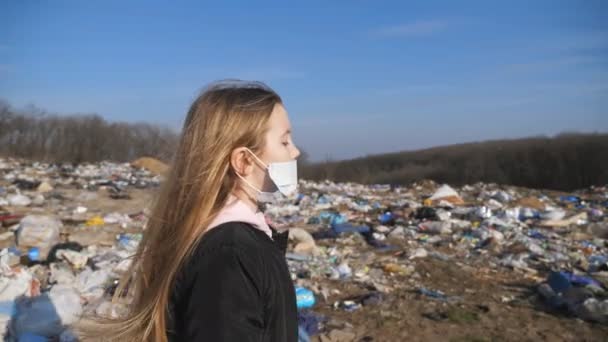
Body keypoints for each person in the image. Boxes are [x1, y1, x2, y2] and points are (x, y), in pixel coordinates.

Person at [88, 80, 300, 341]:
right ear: (244, 161)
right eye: (285, 141)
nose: (296, 151)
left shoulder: (225, 237)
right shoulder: (231, 254)